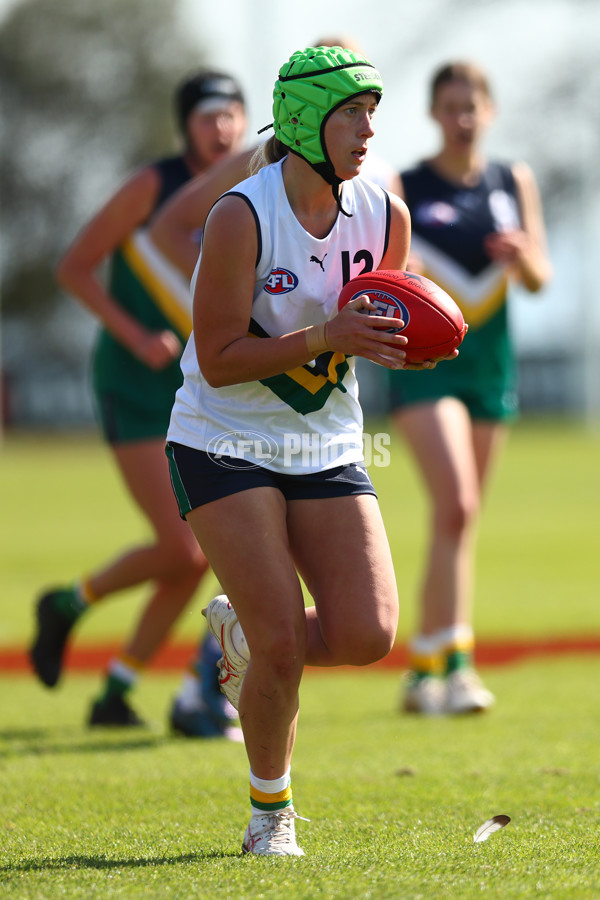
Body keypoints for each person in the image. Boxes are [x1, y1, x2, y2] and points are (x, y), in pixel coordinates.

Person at [164, 44, 456, 857]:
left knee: (368, 635)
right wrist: (327, 334)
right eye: (349, 113)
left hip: (325, 442)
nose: (368, 129)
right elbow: (217, 357)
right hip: (224, 437)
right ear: (302, 120)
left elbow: (380, 316)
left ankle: (241, 641)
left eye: (372, 112)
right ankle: (270, 816)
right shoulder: (239, 215)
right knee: (288, 641)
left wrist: (412, 340)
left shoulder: (385, 212)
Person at [29, 69, 248, 737]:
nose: (222, 128)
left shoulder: (247, 194)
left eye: (233, 115)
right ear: (184, 125)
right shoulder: (153, 188)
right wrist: (132, 333)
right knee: (184, 551)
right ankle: (69, 602)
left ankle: (115, 691)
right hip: (131, 384)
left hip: (197, 393)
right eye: (208, 116)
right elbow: (74, 266)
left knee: (195, 552)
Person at [388, 61, 552, 716]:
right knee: (455, 503)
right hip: (428, 370)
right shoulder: (404, 185)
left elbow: (541, 278)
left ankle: (424, 667)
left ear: (490, 110)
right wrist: (406, 268)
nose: (463, 117)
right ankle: (457, 667)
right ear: (433, 113)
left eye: (472, 106)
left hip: (491, 367)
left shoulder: (514, 181)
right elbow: (377, 269)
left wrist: (522, 255)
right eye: (450, 106)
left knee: (459, 519)